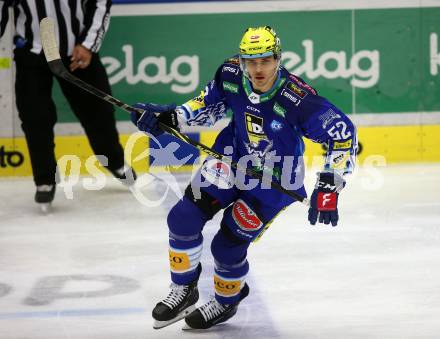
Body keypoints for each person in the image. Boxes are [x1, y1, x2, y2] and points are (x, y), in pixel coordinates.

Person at [131, 26, 357, 330]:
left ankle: (227, 301)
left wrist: (329, 186)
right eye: (251, 61)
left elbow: (342, 135)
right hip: (230, 160)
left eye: (265, 60)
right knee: (182, 218)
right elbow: (207, 106)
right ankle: (184, 289)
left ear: (278, 59)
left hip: (273, 182)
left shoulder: (297, 99)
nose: (258, 69)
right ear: (242, 60)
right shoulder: (231, 74)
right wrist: (170, 117)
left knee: (226, 247)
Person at [0, 0, 136, 210]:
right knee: (35, 117)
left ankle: (114, 160)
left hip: (77, 52)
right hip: (31, 51)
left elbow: (101, 2)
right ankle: (45, 179)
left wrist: (88, 45)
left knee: (98, 113)